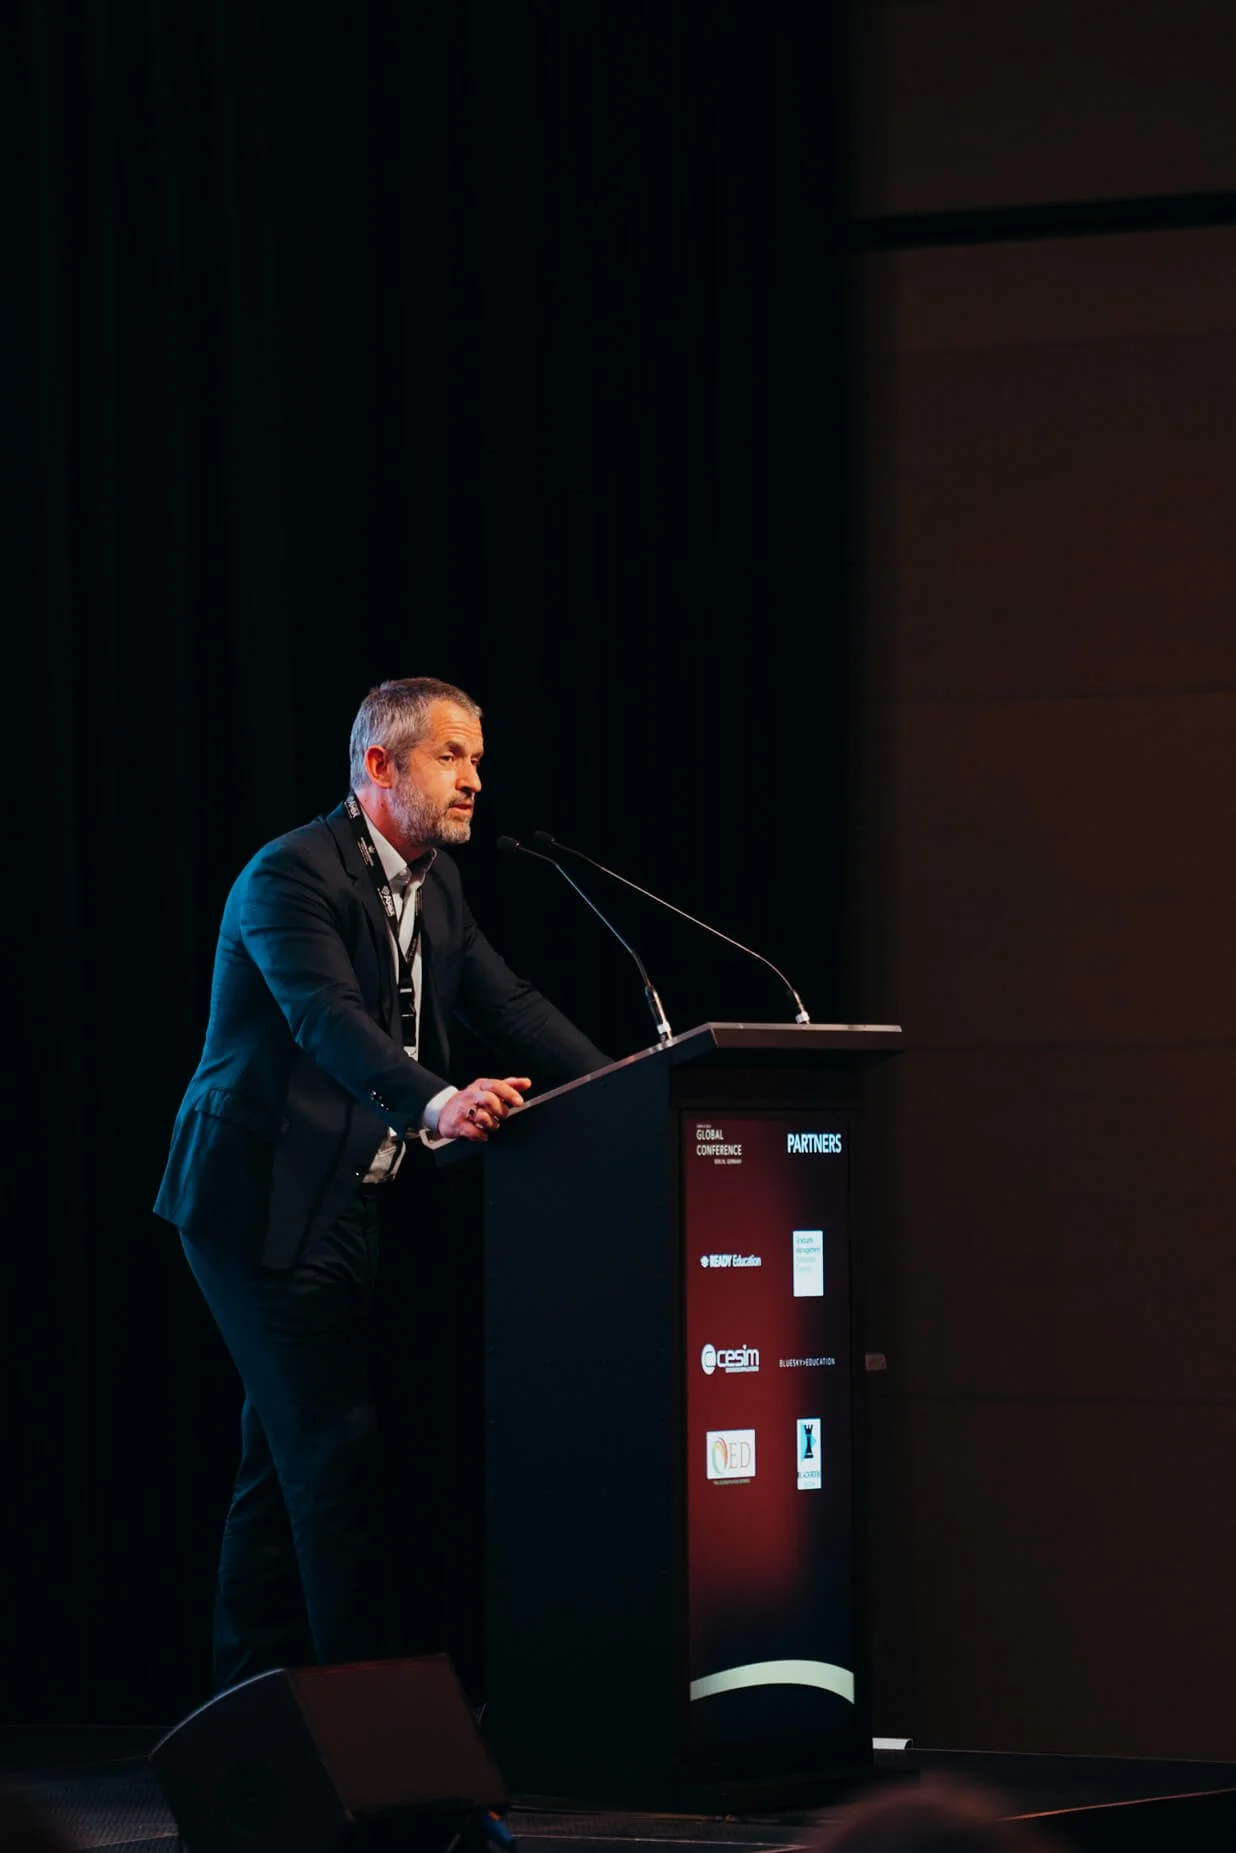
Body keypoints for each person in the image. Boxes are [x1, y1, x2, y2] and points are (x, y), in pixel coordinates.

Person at [155, 676, 609, 1691]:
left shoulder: (436, 885)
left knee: (283, 1464)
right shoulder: (289, 874)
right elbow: (327, 1019)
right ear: (379, 764)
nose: (473, 779)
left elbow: (512, 1006)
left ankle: (246, 1721)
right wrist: (440, 1101)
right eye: (451, 756)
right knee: (334, 1454)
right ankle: (375, 1739)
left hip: (349, 1203)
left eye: (477, 759)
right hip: (255, 1203)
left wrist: (631, 1087)